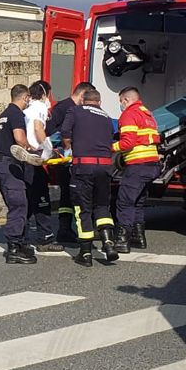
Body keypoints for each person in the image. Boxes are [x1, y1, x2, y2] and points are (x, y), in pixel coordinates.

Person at [61, 88, 119, 266]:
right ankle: (108, 243)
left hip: (83, 167)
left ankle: (85, 253)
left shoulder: (75, 110)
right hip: (104, 167)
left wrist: (68, 148)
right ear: (99, 102)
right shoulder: (106, 117)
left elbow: (65, 132)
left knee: (82, 208)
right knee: (102, 205)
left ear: (83, 100)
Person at [0, 84, 43, 265]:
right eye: (28, 98)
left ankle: (21, 242)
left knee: (18, 203)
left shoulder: (3, 114)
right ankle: (14, 248)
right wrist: (32, 149)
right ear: (25, 97)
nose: (29, 101)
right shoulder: (16, 114)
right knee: (19, 204)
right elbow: (19, 139)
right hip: (9, 164)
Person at [113, 87, 161, 253]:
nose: (121, 105)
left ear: (126, 100)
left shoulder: (128, 114)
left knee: (125, 201)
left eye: (121, 101)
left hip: (137, 165)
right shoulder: (147, 114)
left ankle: (122, 240)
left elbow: (127, 143)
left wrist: (109, 147)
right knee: (138, 202)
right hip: (152, 165)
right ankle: (138, 237)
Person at [46, 82, 94, 241]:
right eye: (86, 99)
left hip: (74, 158)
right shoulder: (63, 108)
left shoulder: (75, 109)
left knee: (68, 196)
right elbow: (50, 131)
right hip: (64, 158)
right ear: (82, 95)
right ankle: (65, 228)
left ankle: (66, 228)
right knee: (68, 194)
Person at [23, 81, 61, 252]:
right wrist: (49, 148)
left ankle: (21, 237)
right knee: (41, 199)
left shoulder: (25, 109)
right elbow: (38, 129)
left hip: (25, 156)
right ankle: (45, 239)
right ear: (45, 94)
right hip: (35, 157)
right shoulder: (39, 107)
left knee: (28, 199)